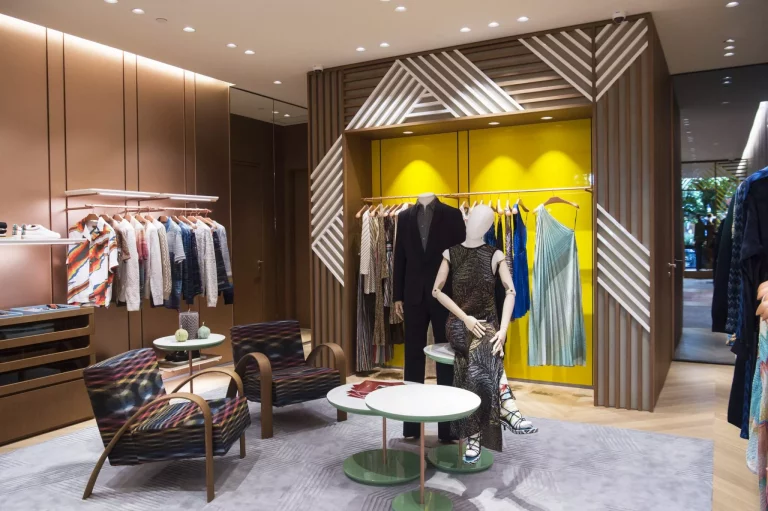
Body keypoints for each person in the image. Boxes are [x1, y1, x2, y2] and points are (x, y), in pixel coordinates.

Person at [432, 205, 536, 464]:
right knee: (487, 344)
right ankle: (507, 406)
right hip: (459, 323)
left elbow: (510, 291)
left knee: (479, 356)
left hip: (488, 324)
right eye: (475, 219)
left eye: (485, 221)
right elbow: (437, 291)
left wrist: (504, 330)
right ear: (466, 220)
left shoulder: (495, 254)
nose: (478, 224)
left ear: (489, 227)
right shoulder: (450, 253)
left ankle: (474, 436)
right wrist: (465, 318)